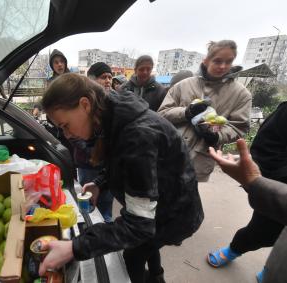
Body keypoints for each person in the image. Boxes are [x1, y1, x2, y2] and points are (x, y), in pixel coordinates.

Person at [38, 73, 204, 283]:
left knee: (133, 256)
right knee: (149, 244)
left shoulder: (137, 136)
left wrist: (74, 247)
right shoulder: (113, 118)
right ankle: (157, 276)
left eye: (65, 125)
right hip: (159, 205)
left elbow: (139, 226)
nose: (67, 135)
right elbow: (124, 163)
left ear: (85, 105)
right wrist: (100, 183)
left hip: (173, 214)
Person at [206, 101, 287, 282]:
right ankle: (234, 250)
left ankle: (276, 269)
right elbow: (266, 149)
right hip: (280, 194)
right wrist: (256, 182)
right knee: (260, 233)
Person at [158, 40, 252, 182]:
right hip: (169, 152)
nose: (223, 66)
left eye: (228, 61)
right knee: (158, 197)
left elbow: (240, 126)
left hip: (199, 159)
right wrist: (186, 112)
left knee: (187, 200)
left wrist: (217, 136)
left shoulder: (241, 94)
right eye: (217, 61)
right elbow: (161, 114)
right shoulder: (183, 85)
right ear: (206, 60)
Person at [68, 62, 115, 223]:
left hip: (106, 166)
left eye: (110, 77)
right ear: (91, 80)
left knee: (106, 206)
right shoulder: (79, 102)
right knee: (88, 204)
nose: (108, 81)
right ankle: (90, 229)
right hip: (86, 164)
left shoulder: (114, 104)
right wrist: (91, 152)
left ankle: (106, 228)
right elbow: (72, 133)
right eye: (104, 77)